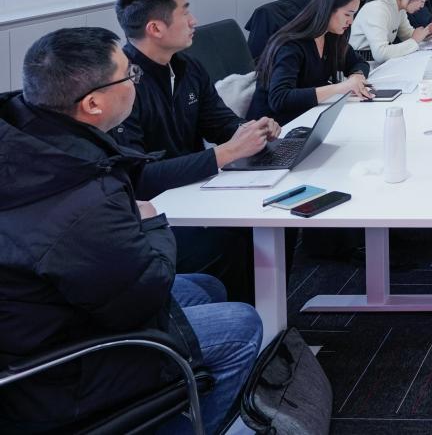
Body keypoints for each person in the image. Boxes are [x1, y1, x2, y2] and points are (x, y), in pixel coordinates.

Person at [0, 27, 261, 434]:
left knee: (206, 287)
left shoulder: (29, 139)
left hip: (40, 320)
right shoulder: (80, 197)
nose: (135, 82)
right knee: (243, 325)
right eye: (129, 75)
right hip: (54, 374)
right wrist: (151, 221)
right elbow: (143, 296)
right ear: (93, 104)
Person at [112, 0, 278, 302]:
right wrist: (225, 154)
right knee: (228, 243)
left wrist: (250, 130)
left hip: (197, 190)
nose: (194, 21)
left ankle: (266, 318)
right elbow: (138, 178)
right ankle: (237, 322)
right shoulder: (121, 87)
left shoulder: (187, 67)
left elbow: (219, 123)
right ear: (155, 28)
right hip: (153, 210)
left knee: (272, 219)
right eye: (185, 12)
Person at [247, 0, 372, 124]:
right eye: (347, 14)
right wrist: (340, 88)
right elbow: (280, 98)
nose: (351, 21)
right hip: (271, 127)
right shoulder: (291, 45)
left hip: (306, 117)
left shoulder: (332, 37)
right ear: (328, 9)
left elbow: (358, 63)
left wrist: (357, 76)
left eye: (353, 15)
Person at [350, 0, 432, 61]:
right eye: (422, 1)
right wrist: (414, 41)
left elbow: (406, 34)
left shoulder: (399, 5)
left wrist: (424, 34)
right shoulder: (378, 8)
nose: (422, 6)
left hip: (379, 62)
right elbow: (380, 53)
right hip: (364, 62)